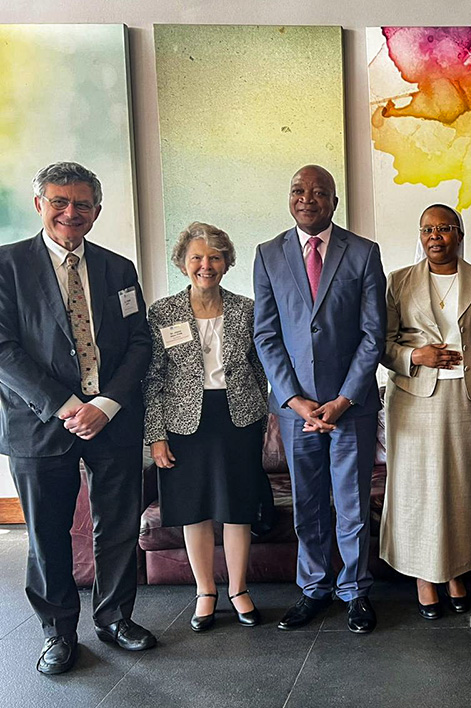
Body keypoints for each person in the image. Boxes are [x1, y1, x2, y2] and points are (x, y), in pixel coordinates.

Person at [0, 162, 155, 674]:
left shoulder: (118, 269)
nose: (71, 212)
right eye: (60, 202)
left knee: (116, 527)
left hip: (112, 420)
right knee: (46, 534)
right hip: (39, 423)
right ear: (40, 204)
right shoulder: (8, 265)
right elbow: (4, 350)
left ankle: (114, 618)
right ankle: (57, 632)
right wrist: (67, 407)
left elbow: (138, 344)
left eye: (82, 204)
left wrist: (106, 405)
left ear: (97, 211)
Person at [253, 164, 386, 633]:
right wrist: (294, 400)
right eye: (297, 191)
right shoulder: (268, 254)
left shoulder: (364, 253)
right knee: (307, 503)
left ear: (334, 200)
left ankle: (354, 592)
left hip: (351, 408)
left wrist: (344, 399)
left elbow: (374, 336)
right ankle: (313, 589)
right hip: (296, 412)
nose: (306, 198)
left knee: (351, 504)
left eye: (318, 192)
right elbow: (266, 336)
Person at [143, 222, 269, 632]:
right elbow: (154, 378)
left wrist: (261, 414)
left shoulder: (246, 309)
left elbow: (258, 368)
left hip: (238, 420)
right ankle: (205, 591)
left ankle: (238, 588)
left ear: (227, 262)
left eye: (215, 256)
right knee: (193, 509)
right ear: (183, 263)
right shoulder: (163, 311)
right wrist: (156, 436)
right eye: (196, 257)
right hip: (184, 423)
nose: (205, 264)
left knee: (237, 508)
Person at [380, 205, 471, 618]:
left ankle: (456, 571)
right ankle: (423, 577)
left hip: (470, 399)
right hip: (413, 400)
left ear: (459, 233)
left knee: (463, 489)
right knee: (417, 490)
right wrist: (417, 354)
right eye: (428, 229)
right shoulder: (398, 281)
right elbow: (381, 344)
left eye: (445, 228)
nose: (435, 236)